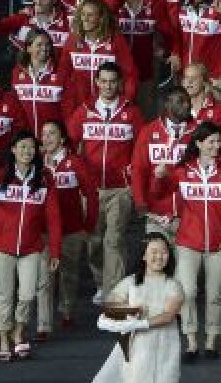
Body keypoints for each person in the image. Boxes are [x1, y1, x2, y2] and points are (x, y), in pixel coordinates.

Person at [79, 233, 184, 383]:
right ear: (145, 255)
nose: (159, 256)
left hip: (165, 346)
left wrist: (139, 323)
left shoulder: (173, 284)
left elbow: (168, 315)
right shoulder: (131, 282)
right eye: (154, 251)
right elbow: (112, 301)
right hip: (137, 349)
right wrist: (115, 314)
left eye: (164, 252)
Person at [155, 121, 221, 361]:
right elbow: (161, 194)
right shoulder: (183, 171)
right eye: (211, 141)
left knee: (214, 294)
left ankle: (212, 338)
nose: (217, 146)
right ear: (199, 143)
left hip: (217, 244)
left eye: (218, 141)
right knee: (189, 291)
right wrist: (160, 177)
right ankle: (191, 340)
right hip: (188, 242)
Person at [66, 62, 143, 304]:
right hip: (91, 190)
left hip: (120, 188)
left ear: (119, 83)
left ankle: (115, 291)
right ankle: (101, 282)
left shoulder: (132, 113)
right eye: (104, 81)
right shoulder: (84, 111)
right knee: (95, 242)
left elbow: (142, 149)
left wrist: (134, 178)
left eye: (113, 81)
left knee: (115, 239)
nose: (108, 86)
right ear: (97, 83)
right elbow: (68, 143)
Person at [0, 130, 61, 362]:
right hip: (3, 246)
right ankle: (3, 337)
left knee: (28, 293)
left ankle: (19, 331)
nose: (27, 151)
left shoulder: (44, 178)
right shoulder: (0, 176)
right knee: (5, 294)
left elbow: (53, 218)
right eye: (22, 147)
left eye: (31, 147)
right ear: (13, 150)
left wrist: (55, 250)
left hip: (31, 247)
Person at [39, 119, 97, 335]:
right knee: (45, 277)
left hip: (72, 230)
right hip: (43, 231)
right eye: (44, 134)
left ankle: (67, 312)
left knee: (69, 274)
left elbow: (91, 195)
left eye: (52, 134)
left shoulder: (76, 162)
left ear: (62, 138)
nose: (47, 138)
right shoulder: (37, 164)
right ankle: (44, 322)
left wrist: (88, 225)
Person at [131, 88, 195, 243]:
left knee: (184, 266)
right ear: (167, 104)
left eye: (188, 101)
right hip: (156, 213)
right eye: (180, 101)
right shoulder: (149, 131)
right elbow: (138, 169)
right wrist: (140, 202)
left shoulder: (197, 133)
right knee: (158, 261)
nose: (186, 105)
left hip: (189, 214)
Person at [9, 30, 65, 138]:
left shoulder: (61, 72)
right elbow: (14, 106)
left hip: (53, 139)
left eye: (47, 44)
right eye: (39, 45)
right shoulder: (17, 72)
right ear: (29, 48)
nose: (44, 48)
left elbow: (68, 109)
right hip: (26, 141)